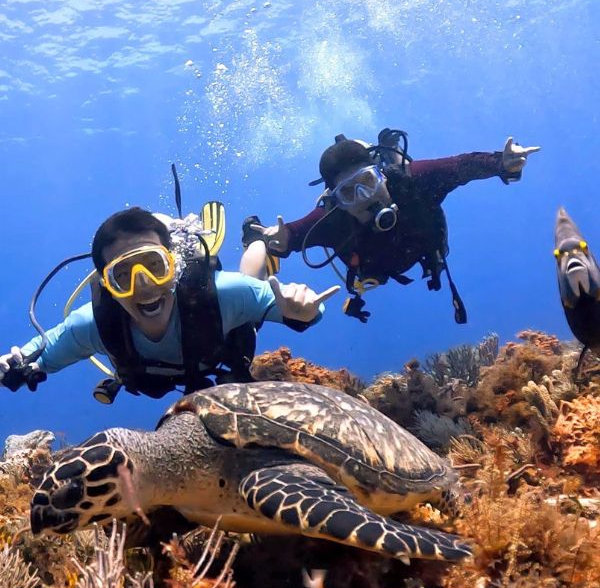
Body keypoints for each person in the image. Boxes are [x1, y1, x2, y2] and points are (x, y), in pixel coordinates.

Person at [0, 207, 339, 400]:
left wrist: (304, 310)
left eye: (154, 266)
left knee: (252, 278)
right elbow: (36, 354)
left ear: (173, 266)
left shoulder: (225, 294)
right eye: (124, 275)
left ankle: (255, 239)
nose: (144, 286)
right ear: (107, 285)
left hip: (229, 333)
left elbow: (311, 311)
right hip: (175, 367)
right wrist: (13, 365)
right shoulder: (94, 326)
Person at [242, 129, 540, 323]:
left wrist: (502, 163)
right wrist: (271, 238)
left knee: (400, 169)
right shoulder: (332, 221)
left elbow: (461, 166)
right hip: (375, 268)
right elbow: (291, 235)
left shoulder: (413, 181)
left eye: (369, 182)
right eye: (349, 193)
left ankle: (389, 151)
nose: (364, 198)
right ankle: (382, 153)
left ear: (381, 176)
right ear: (336, 200)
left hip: (423, 248)